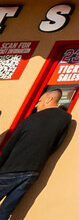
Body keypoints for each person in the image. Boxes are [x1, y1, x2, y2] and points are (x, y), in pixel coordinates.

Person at [0, 86, 73, 216]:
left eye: (39, 101)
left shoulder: (30, 120)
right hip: (33, 172)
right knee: (6, 210)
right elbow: (56, 145)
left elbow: (9, 146)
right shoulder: (65, 119)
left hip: (10, 170)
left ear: (49, 99)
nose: (35, 105)